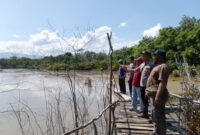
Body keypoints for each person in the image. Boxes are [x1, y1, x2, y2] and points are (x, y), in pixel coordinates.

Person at [146, 50, 170, 135]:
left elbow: (163, 82)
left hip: (159, 95)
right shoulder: (158, 66)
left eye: (155, 55)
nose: (153, 57)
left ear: (160, 57)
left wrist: (158, 96)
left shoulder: (163, 66)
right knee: (155, 115)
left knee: (159, 116)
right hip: (154, 94)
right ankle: (156, 131)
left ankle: (160, 133)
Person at [139, 51, 154, 118]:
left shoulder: (152, 64)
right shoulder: (142, 64)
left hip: (149, 85)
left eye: (144, 55)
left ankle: (154, 116)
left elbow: (154, 75)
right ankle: (145, 113)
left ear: (148, 56)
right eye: (142, 55)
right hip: (142, 85)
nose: (142, 57)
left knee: (152, 100)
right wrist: (126, 69)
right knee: (144, 100)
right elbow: (135, 70)